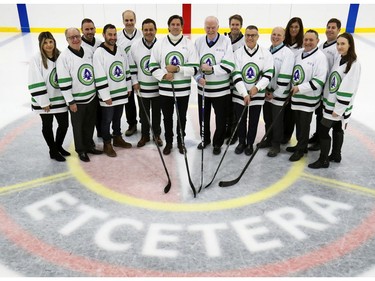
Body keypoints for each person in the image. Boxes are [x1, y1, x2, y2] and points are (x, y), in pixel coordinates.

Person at [308, 32, 361, 169]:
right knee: (337, 128)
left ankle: (323, 160)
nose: (339, 46)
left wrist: (338, 110)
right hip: (331, 103)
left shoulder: (353, 64)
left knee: (324, 131)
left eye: (343, 44)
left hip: (336, 107)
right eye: (338, 44)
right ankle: (336, 154)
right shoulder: (340, 59)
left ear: (350, 45)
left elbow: (347, 89)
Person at [149, 14, 199, 155]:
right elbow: (152, 66)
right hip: (165, 89)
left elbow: (195, 68)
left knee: (181, 117)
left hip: (183, 90)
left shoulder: (189, 44)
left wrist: (178, 69)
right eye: (173, 24)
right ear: (169, 26)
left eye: (178, 24)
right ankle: (169, 142)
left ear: (182, 27)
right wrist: (164, 75)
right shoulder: (160, 43)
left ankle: (181, 142)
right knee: (167, 117)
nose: (175, 27)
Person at [56, 27, 103, 162]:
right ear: (67, 40)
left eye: (77, 36)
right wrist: (70, 101)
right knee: (78, 126)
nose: (75, 39)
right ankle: (81, 150)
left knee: (90, 124)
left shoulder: (88, 51)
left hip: (92, 97)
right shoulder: (64, 58)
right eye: (72, 37)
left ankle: (89, 145)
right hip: (77, 101)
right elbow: (63, 82)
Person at [194, 16, 235, 155]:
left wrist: (212, 69)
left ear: (218, 27)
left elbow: (229, 65)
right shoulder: (199, 41)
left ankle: (218, 143)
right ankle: (205, 139)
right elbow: (193, 64)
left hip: (221, 91)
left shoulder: (226, 41)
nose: (210, 30)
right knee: (203, 117)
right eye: (208, 27)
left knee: (221, 118)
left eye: (213, 27)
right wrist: (198, 77)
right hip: (203, 89)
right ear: (204, 27)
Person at [231, 25, 274, 156]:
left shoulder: (265, 53)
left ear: (258, 36)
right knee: (241, 120)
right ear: (245, 36)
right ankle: (241, 142)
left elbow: (268, 74)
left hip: (257, 94)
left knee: (254, 120)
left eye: (253, 35)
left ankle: (250, 143)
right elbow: (236, 75)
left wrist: (257, 88)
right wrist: (244, 93)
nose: (250, 38)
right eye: (247, 35)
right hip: (240, 94)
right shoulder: (237, 53)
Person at [287, 29, 328, 162]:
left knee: (304, 125)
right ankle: (301, 145)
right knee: (298, 124)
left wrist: (300, 88)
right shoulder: (299, 54)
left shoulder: (320, 57)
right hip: (296, 97)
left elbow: (319, 80)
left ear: (317, 41)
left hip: (308, 99)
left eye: (311, 40)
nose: (308, 42)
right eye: (306, 39)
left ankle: (301, 149)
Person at [28, 31, 70, 162]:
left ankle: (58, 146)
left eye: (50, 41)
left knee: (64, 125)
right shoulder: (36, 59)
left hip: (59, 98)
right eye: (45, 43)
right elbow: (34, 80)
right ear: (40, 44)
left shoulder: (61, 56)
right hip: (44, 101)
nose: (48, 45)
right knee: (47, 125)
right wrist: (43, 101)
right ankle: (53, 150)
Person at [93, 24, 132, 157]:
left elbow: (125, 69)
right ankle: (107, 143)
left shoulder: (120, 49)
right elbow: (99, 75)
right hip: (108, 95)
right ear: (104, 35)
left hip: (120, 92)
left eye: (114, 34)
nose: (113, 37)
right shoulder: (99, 52)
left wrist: (128, 87)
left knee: (117, 118)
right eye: (110, 34)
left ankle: (117, 138)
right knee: (106, 120)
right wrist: (105, 95)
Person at [260, 27, 295, 157]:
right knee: (268, 118)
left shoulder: (287, 53)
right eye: (273, 34)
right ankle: (268, 140)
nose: (275, 37)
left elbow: (285, 76)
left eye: (279, 35)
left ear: (284, 37)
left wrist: (274, 93)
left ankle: (276, 145)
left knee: (277, 121)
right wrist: (263, 89)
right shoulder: (267, 51)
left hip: (278, 94)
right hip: (266, 93)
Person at [308, 18, 341, 151]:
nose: (330, 30)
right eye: (328, 27)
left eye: (333, 27)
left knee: (329, 119)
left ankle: (324, 142)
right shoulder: (322, 46)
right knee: (319, 114)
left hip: (330, 90)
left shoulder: (338, 47)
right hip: (320, 88)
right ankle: (318, 136)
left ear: (339, 30)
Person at [130, 18, 163, 148]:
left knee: (156, 113)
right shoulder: (135, 46)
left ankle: (157, 135)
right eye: (146, 30)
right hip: (142, 87)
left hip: (157, 87)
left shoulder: (161, 45)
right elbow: (132, 67)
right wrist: (134, 82)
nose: (148, 32)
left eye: (151, 29)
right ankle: (145, 135)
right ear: (142, 31)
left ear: (156, 30)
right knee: (143, 114)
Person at [117, 10, 142, 137]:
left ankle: (146, 124)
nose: (129, 23)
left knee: (144, 102)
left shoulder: (142, 34)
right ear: (123, 21)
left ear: (135, 20)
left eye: (131, 20)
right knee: (129, 102)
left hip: (141, 75)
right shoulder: (117, 37)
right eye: (126, 20)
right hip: (125, 77)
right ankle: (132, 124)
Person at [80, 18, 103, 139]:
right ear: (82, 30)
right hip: (88, 86)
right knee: (90, 115)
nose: (89, 31)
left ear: (95, 29)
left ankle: (101, 132)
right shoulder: (79, 46)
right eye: (86, 29)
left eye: (91, 28)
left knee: (101, 112)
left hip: (101, 85)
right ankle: (88, 138)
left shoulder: (100, 43)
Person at [282, 17, 304, 145]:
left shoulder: (302, 46)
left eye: (296, 27)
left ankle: (286, 135)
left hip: (294, 85)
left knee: (290, 113)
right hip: (281, 84)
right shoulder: (283, 43)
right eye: (291, 26)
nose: (293, 29)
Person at [224, 14, 245, 145]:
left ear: (241, 26)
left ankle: (234, 132)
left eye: (237, 24)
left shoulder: (244, 41)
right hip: (226, 80)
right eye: (233, 24)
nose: (235, 27)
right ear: (229, 25)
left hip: (238, 81)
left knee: (236, 108)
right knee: (227, 108)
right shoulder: (225, 39)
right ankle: (227, 129)